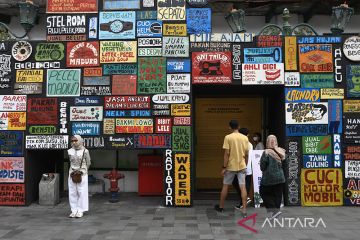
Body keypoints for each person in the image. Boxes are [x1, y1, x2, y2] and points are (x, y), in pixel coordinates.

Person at [215, 120, 249, 217]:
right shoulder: (245, 138)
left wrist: (224, 167)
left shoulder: (228, 137)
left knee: (225, 186)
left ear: (229, 127)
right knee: (243, 187)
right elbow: (246, 154)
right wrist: (245, 165)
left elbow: (226, 153)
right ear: (239, 126)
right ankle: (244, 210)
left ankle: (221, 207)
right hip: (242, 165)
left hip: (230, 166)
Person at [259, 135, 286, 219]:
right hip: (280, 177)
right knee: (277, 194)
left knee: (263, 192)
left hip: (268, 177)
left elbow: (262, 166)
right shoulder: (282, 151)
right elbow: (285, 164)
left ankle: (275, 211)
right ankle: (275, 213)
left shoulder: (266, 152)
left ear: (267, 142)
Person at [68, 135, 91, 218]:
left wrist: (83, 171)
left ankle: (80, 210)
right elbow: (70, 162)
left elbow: (88, 163)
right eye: (72, 141)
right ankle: (73, 210)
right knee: (72, 192)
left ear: (80, 140)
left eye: (76, 140)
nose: (74, 142)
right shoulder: (69, 151)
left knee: (82, 192)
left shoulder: (85, 151)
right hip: (72, 174)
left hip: (82, 174)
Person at [233, 128, 253, 210]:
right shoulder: (249, 143)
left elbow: (246, 156)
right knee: (243, 185)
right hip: (247, 168)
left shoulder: (244, 143)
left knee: (238, 183)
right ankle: (243, 202)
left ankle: (244, 200)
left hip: (243, 167)